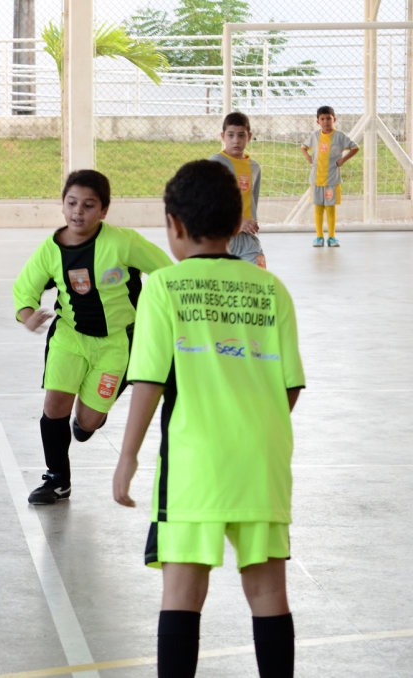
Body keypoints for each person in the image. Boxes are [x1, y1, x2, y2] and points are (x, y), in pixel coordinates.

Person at [113, 160, 305, 678]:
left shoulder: (164, 288)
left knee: (182, 591)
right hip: (262, 459)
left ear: (174, 224)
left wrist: (126, 457)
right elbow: (289, 387)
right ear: (239, 217)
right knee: (268, 591)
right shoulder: (272, 289)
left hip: (196, 462)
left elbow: (149, 381)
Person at [13, 169, 172, 505]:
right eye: (72, 203)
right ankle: (57, 480)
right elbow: (25, 288)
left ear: (103, 211)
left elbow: (165, 272)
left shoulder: (122, 242)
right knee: (54, 406)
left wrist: (157, 317)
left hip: (116, 342)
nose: (78, 212)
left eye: (88, 205)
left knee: (85, 425)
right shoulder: (51, 249)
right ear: (62, 205)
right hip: (68, 337)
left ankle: (114, 388)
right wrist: (27, 315)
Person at [209, 111, 267, 267]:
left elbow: (253, 200)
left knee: (259, 282)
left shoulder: (254, 167)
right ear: (222, 136)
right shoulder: (215, 163)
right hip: (221, 238)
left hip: (248, 239)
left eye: (241, 135)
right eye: (231, 135)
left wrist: (250, 221)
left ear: (249, 136)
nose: (236, 140)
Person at [301, 105, 359, 247]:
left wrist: (343, 160)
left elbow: (355, 147)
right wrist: (308, 157)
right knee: (319, 208)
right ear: (318, 121)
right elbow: (303, 147)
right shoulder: (315, 136)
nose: (326, 121)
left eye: (329, 118)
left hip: (332, 181)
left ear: (335, 119)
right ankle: (319, 237)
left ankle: (332, 237)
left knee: (330, 208)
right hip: (316, 180)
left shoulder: (339, 136)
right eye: (322, 119)